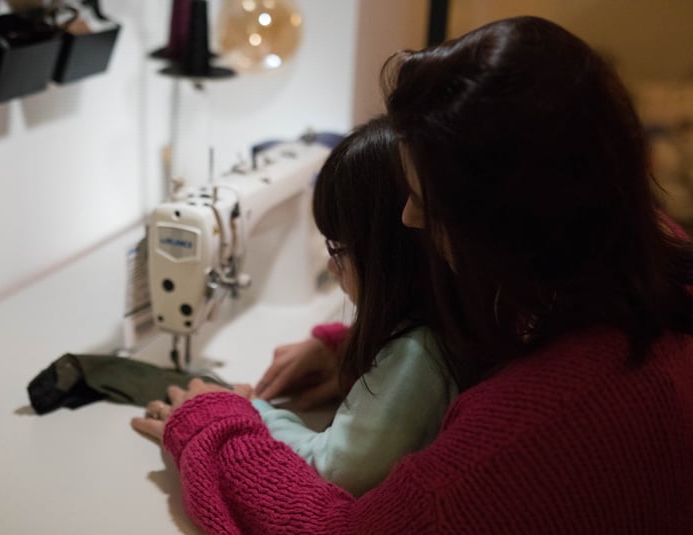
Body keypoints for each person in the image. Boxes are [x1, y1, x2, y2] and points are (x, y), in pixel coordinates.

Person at [131, 16, 693, 533]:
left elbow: (339, 529)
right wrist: (356, 344)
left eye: (429, 202)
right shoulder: (652, 250)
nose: (408, 218)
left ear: (508, 222)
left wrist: (219, 425)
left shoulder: (531, 435)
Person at [135, 116, 458, 498]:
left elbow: (334, 470)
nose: (329, 266)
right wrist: (347, 351)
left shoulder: (415, 355)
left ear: (391, 257)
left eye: (339, 250)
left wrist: (250, 410)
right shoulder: (444, 326)